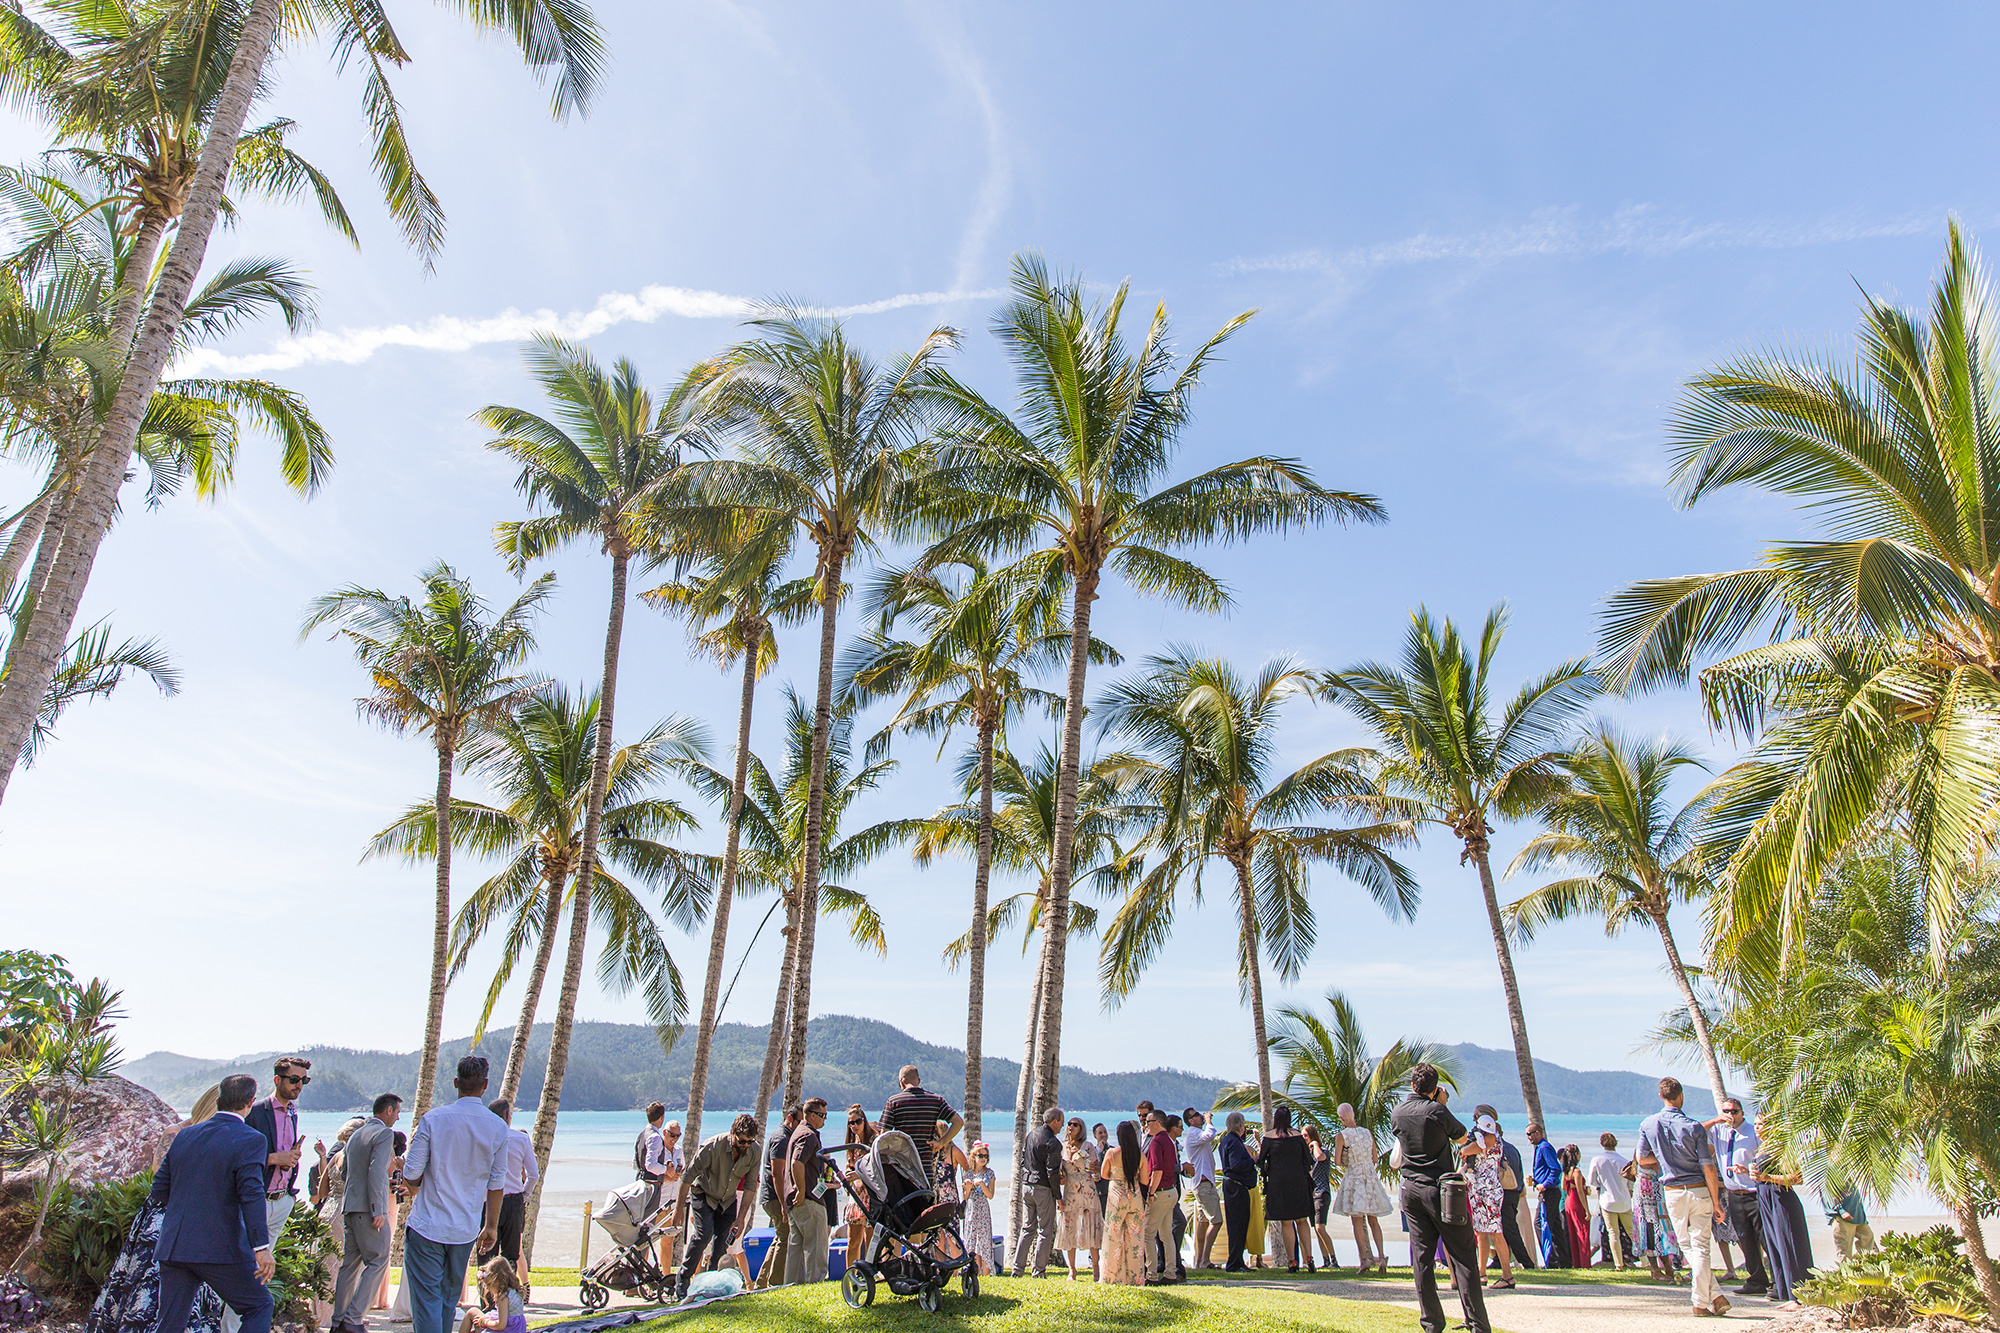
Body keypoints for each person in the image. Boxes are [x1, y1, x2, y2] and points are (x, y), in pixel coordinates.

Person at [88, 1085, 230, 1333]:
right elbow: (160, 1174)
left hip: (198, 1220)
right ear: (214, 1105)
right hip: (165, 1216)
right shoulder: (176, 1132)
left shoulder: (218, 1138)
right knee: (149, 1279)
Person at [150, 1074, 276, 1333]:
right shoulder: (251, 1139)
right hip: (219, 1249)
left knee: (169, 1324)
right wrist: (261, 1247)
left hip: (175, 1246)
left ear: (218, 1100)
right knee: (259, 1306)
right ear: (251, 1101)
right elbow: (251, 1195)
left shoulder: (185, 1136)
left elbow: (159, 1190)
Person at [400, 1056, 508, 1333]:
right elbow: (496, 1184)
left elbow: (411, 1173)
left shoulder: (434, 1119)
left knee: (427, 1302)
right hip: (464, 1229)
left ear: (456, 1083)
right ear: (485, 1085)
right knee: (448, 1301)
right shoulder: (497, 1127)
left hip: (427, 1224)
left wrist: (430, 1174)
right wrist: (491, 1227)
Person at [1390, 1063, 1489, 1333]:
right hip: (1441, 1191)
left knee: (1422, 1259)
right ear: (1434, 1089)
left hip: (1411, 1190)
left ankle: (1432, 1323)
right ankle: (1477, 1323)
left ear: (1412, 1085)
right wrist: (1441, 1104)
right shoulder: (1436, 1110)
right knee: (1463, 1255)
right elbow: (1462, 1138)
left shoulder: (1398, 1112)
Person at [1636, 1075, 1728, 1318]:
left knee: (1689, 1247)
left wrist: (1664, 1158)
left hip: (1673, 1192)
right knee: (1700, 1248)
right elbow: (1708, 1166)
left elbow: (1642, 1159)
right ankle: (1707, 1299)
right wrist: (1717, 1200)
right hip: (1698, 1188)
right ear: (1681, 1096)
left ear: (1661, 1096)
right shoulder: (1694, 1126)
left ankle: (1711, 1298)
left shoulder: (1648, 1124)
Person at [236, 1054, 309, 1333]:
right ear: (277, 1079)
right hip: (257, 1202)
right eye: (294, 1080)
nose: (299, 1085)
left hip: (281, 1201)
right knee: (244, 1273)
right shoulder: (255, 1112)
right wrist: (274, 1158)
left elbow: (284, 1153)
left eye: (303, 1081)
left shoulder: (292, 1113)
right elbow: (240, 1157)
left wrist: (291, 1160)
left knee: (260, 1276)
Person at [331, 1093, 400, 1333]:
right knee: (378, 1260)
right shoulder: (384, 1134)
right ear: (388, 1110)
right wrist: (377, 1209)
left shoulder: (356, 1135)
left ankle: (338, 1320)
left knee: (349, 1266)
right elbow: (378, 1172)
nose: (399, 1116)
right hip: (368, 1209)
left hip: (350, 1207)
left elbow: (344, 1174)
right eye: (398, 1112)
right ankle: (353, 1318)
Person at [674, 1114, 759, 1299]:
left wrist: (741, 1217)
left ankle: (711, 1285)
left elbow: (750, 1186)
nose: (746, 1146)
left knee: (722, 1243)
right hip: (703, 1193)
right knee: (704, 1234)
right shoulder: (712, 1147)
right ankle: (683, 1279)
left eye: (750, 1142)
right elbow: (687, 1177)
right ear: (732, 1133)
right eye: (742, 1141)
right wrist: (678, 1209)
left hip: (727, 1199)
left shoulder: (754, 1151)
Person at [1706, 1097, 1770, 1298]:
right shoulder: (1718, 1131)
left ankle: (1778, 1279)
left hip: (1754, 1193)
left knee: (1765, 1238)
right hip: (1734, 1194)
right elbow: (1694, 1131)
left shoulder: (1753, 1132)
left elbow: (1767, 1157)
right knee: (1745, 1238)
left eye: (1734, 1111)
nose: (1730, 1115)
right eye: (1727, 1111)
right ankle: (1756, 1280)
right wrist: (1717, 1120)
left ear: (1742, 1113)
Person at [1751, 1115, 1813, 1311]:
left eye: (1762, 1124)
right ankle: (1785, 1292)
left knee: (1789, 1245)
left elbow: (1797, 1177)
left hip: (1781, 1199)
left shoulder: (1780, 1148)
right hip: (1765, 1198)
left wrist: (1767, 1177)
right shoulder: (1762, 1147)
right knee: (1775, 1245)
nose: (1757, 1128)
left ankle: (1799, 1295)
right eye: (1755, 1124)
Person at [477, 1100, 538, 1283]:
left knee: (486, 1254)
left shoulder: (483, 1138)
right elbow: (533, 1175)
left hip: (487, 1200)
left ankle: (486, 1302)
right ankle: (506, 1300)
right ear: (508, 1116)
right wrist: (523, 1195)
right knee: (510, 1255)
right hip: (513, 1201)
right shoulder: (520, 1138)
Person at [1329, 1101, 1392, 1275]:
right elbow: (1375, 1158)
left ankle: (1364, 1259)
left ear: (1341, 1118)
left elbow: (1338, 1161)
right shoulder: (1367, 1133)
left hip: (1355, 1178)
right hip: (1370, 1178)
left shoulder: (1342, 1135)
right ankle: (1381, 1255)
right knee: (1373, 1220)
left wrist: (1349, 1160)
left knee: (1357, 1220)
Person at [781, 1099, 833, 1286]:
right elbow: (796, 1162)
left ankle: (791, 1286)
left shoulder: (797, 1133)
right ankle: (815, 1283)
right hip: (808, 1199)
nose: (825, 1120)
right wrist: (802, 1191)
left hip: (796, 1201)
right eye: (823, 1115)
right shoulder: (808, 1135)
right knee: (816, 1246)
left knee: (796, 1246)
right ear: (812, 1115)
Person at [1256, 1106, 1314, 1273]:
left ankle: (1292, 1261)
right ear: (1289, 1119)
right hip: (1299, 1182)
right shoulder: (1297, 1136)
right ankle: (1309, 1257)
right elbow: (1308, 1160)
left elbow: (1261, 1162)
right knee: (1302, 1220)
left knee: (1286, 1223)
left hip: (1279, 1183)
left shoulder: (1269, 1137)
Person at [880, 1065, 961, 1183]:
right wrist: (940, 1143)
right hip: (925, 1169)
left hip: (902, 1169)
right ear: (918, 1081)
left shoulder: (893, 1102)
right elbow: (958, 1122)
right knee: (925, 1200)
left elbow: (883, 1137)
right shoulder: (935, 1100)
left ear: (902, 1082)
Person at [1463, 1113, 1514, 1289]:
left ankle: (1507, 1275)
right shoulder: (1488, 1138)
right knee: (1481, 1233)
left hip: (1489, 1191)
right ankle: (1481, 1272)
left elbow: (1467, 1150)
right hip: (1479, 1190)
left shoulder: (1491, 1139)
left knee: (1495, 1232)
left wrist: (1466, 1149)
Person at [1013, 1105, 1065, 1278]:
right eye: (1061, 1123)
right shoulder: (1053, 1143)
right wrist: (1059, 1197)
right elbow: (1052, 1172)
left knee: (1027, 1228)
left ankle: (1017, 1269)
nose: (1062, 1127)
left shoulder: (1031, 1135)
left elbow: (1022, 1158)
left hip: (1027, 1185)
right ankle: (1038, 1271)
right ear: (1054, 1121)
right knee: (1045, 1231)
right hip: (1043, 1188)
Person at [1099, 1122, 1146, 1286]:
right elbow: (1145, 1179)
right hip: (1135, 1195)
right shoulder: (1140, 1155)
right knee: (1136, 1240)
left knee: (1113, 1238)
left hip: (1117, 1196)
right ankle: (1135, 1279)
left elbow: (1103, 1175)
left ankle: (1111, 1277)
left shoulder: (1111, 1153)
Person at [1488, 1115, 1535, 1274]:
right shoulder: (1512, 1149)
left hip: (1504, 1192)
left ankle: (1525, 1261)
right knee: (1503, 1228)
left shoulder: (1497, 1149)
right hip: (1513, 1192)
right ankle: (1500, 1260)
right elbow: (1519, 1172)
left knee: (1508, 1228)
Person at [1057, 1118, 1103, 1280]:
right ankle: (1072, 1269)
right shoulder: (1061, 1147)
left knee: (1091, 1227)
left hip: (1087, 1188)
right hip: (1070, 1189)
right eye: (1069, 1124)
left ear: (1081, 1128)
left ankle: (1096, 1269)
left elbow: (1097, 1168)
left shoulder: (1088, 1146)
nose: (1071, 1127)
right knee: (1069, 1227)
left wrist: (1094, 1168)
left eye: (1075, 1125)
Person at [1139, 1110, 1179, 1285]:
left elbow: (1156, 1171)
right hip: (1171, 1191)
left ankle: (1152, 1275)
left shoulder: (1156, 1142)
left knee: (1148, 1233)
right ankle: (1171, 1272)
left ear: (1158, 1122)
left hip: (1161, 1192)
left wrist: (1151, 1193)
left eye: (1149, 1121)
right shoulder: (1169, 1141)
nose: (1146, 1125)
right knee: (1165, 1234)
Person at [1523, 1122, 1569, 1269]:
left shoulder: (1544, 1147)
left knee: (1540, 1224)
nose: (1528, 1137)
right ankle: (1565, 1261)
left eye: (1530, 1134)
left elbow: (1555, 1169)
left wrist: (1545, 1184)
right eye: (1526, 1134)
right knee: (1555, 1227)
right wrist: (1536, 1179)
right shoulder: (1539, 1148)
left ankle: (1552, 1262)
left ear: (1538, 1133)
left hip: (1549, 1192)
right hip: (1547, 1190)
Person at [1587, 1132, 1634, 1271]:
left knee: (1613, 1232)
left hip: (1607, 1200)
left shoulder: (1597, 1160)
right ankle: (1645, 1261)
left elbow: (1592, 1180)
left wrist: (1601, 1184)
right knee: (1632, 1232)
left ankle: (1618, 1263)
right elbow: (1631, 1182)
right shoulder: (1623, 1161)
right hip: (1624, 1200)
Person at [1217, 1112, 1256, 1273]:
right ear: (1240, 1125)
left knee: (1237, 1225)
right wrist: (1252, 1160)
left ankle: (1237, 1260)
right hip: (1236, 1186)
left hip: (1233, 1186)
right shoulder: (1233, 1142)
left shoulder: (1226, 1140)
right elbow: (1235, 1164)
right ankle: (1234, 1262)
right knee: (1238, 1225)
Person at [1181, 1109, 1220, 1271]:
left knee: (1203, 1223)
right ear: (1190, 1121)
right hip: (1203, 1185)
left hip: (1204, 1183)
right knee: (1217, 1221)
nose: (1200, 1116)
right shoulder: (1193, 1133)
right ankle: (1204, 1260)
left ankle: (1199, 1260)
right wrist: (1209, 1121)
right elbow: (1209, 1135)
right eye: (1196, 1115)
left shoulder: (1195, 1134)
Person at [841, 1108, 877, 1269]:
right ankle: (851, 1274)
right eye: (851, 1123)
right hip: (856, 1195)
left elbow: (878, 1168)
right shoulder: (852, 1144)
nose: (854, 1125)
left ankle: (870, 1272)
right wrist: (848, 1173)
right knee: (853, 1240)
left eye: (857, 1121)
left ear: (864, 1120)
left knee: (870, 1239)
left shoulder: (873, 1141)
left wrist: (859, 1174)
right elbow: (850, 1165)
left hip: (870, 1195)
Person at [454, 1259, 525, 1333]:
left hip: (507, 1329)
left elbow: (501, 1325)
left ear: (499, 1279)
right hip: (516, 1328)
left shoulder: (503, 1297)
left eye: (489, 1284)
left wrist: (485, 1322)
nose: (487, 1288)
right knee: (474, 1314)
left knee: (474, 1317)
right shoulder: (515, 1291)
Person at [1303, 1124, 1336, 1269]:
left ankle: (1334, 1259)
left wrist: (1315, 1143)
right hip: (1311, 1194)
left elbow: (1320, 1157)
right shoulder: (1306, 1155)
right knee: (1317, 1230)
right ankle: (1326, 1260)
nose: (1304, 1138)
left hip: (1322, 1193)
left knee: (1320, 1228)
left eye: (1306, 1135)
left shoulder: (1323, 1151)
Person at [961, 1142, 997, 1275]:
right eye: (981, 1155)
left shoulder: (990, 1173)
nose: (983, 1158)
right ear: (974, 1156)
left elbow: (990, 1195)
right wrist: (968, 1188)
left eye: (986, 1156)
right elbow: (965, 1197)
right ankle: (971, 1272)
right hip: (971, 1209)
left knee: (985, 1242)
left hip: (983, 1210)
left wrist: (982, 1185)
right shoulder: (968, 1174)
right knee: (971, 1240)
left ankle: (987, 1273)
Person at [1559, 1146, 1593, 1268]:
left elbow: (1563, 1187)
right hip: (1575, 1201)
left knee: (1573, 1232)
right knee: (1582, 1231)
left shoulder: (1566, 1171)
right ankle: (1585, 1262)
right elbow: (1579, 1191)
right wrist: (1587, 1210)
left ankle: (1576, 1262)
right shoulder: (1576, 1172)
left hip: (1568, 1200)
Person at [1824, 1181, 1875, 1260]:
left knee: (1868, 1237)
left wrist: (1863, 1218)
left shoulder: (1847, 1173)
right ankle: (1847, 1270)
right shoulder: (1830, 1172)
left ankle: (1859, 1266)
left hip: (1858, 1217)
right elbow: (1828, 1194)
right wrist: (1842, 1211)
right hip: (1842, 1217)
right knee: (1845, 1252)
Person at [1092, 1124, 1112, 1217]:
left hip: (1111, 1189)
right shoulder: (1092, 1151)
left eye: (1105, 1132)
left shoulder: (1113, 1150)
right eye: (1100, 1133)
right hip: (1097, 1190)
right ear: (1095, 1136)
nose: (1103, 1135)